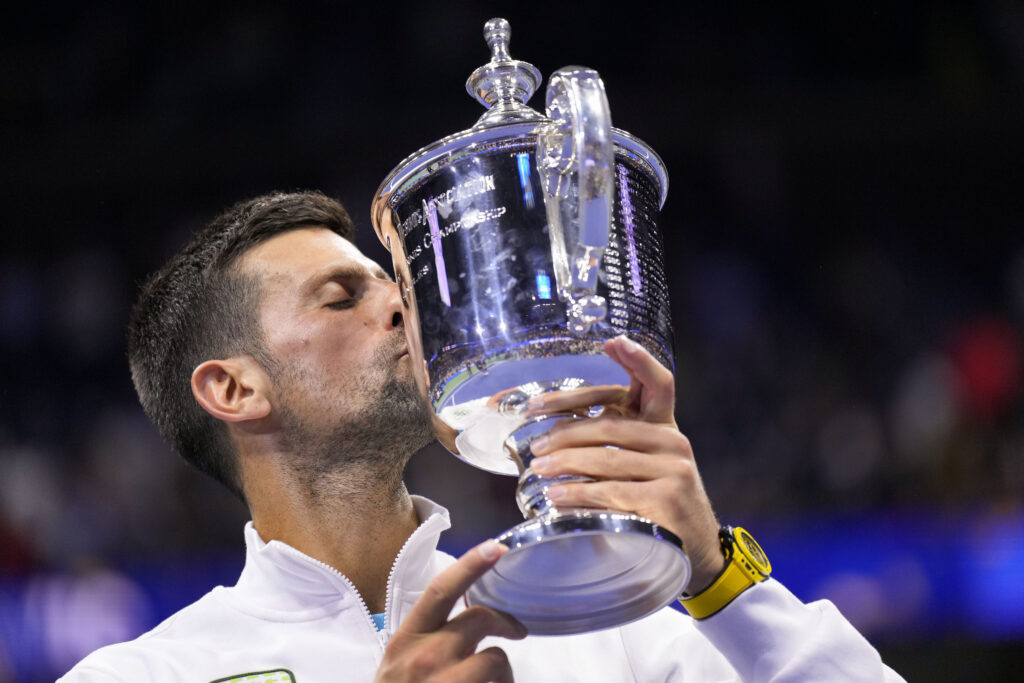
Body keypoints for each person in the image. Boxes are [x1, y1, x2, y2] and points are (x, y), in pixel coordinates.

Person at [60, 190, 903, 682]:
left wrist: (720, 580)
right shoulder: (143, 674)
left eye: (393, 284)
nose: (402, 306)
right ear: (233, 388)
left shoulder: (595, 621)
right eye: (341, 296)